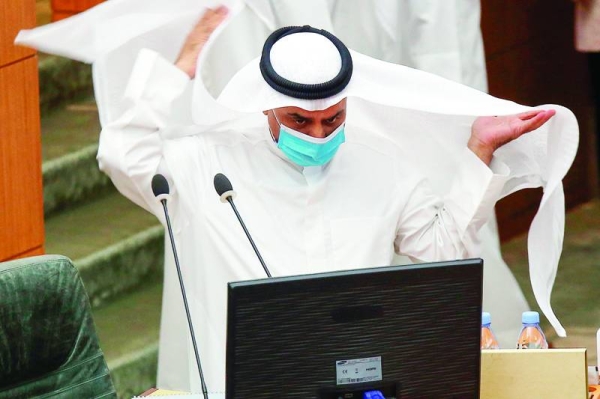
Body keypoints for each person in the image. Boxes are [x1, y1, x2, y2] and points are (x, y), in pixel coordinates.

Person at [97, 7, 572, 393]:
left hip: (355, 378)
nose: (318, 134)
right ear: (265, 103)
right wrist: (178, 72)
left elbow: (442, 250)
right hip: (242, 383)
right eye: (299, 121)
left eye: (332, 119)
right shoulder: (205, 165)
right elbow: (123, 156)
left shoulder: (382, 165)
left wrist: (479, 152)